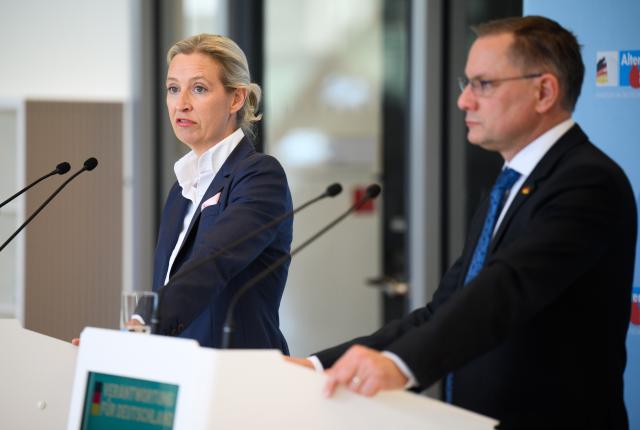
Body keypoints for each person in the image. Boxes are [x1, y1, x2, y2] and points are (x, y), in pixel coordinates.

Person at [288, 16, 637, 429]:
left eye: (483, 84)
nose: (464, 101)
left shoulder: (585, 181)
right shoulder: (511, 183)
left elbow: (507, 288)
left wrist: (399, 365)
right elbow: (444, 310)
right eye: (466, 84)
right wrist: (316, 365)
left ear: (544, 91)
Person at [150, 34, 292, 352]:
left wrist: (136, 332)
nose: (181, 103)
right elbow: (169, 289)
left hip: (237, 375)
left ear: (236, 99)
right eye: (173, 88)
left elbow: (211, 265)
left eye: (199, 88)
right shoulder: (181, 189)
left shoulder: (259, 176)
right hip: (181, 372)